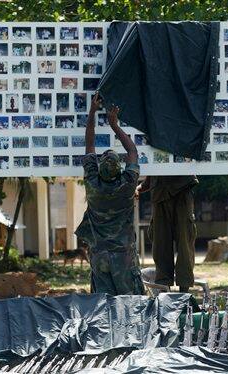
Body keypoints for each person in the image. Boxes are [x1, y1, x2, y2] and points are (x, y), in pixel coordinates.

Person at [75, 93, 145, 296]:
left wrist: (92, 112)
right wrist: (114, 124)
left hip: (100, 256)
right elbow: (132, 150)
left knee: (102, 306)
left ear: (99, 169)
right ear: (119, 170)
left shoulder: (93, 185)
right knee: (132, 304)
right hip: (123, 256)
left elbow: (89, 145)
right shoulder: (127, 186)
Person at [136, 175, 198, 293]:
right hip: (159, 193)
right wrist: (140, 187)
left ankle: (184, 293)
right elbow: (153, 171)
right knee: (161, 245)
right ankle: (164, 292)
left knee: (185, 245)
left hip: (182, 190)